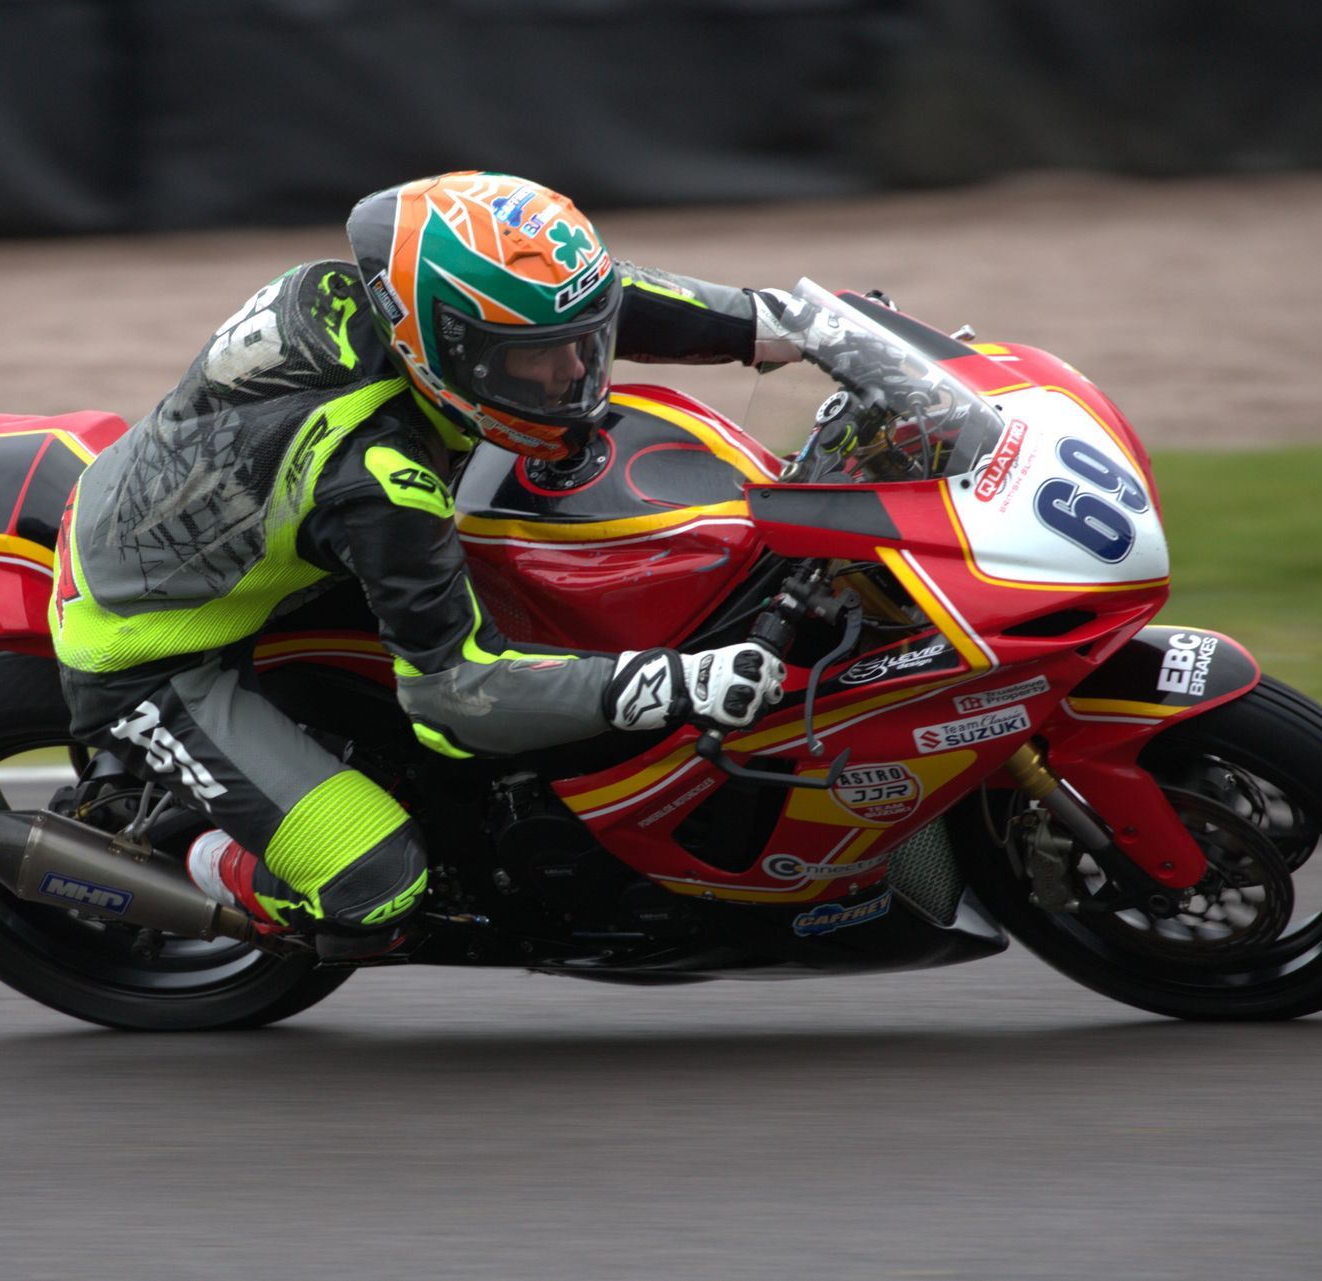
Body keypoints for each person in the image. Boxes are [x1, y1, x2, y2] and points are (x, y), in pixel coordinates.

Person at [48, 171, 808, 950]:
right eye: (534, 361)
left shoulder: (365, 296)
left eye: (577, 346)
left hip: (240, 529)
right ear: (441, 347)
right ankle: (192, 852)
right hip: (149, 643)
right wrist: (672, 682)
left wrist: (784, 324)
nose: (574, 374)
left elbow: (604, 296)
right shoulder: (380, 479)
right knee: (376, 888)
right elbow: (456, 697)